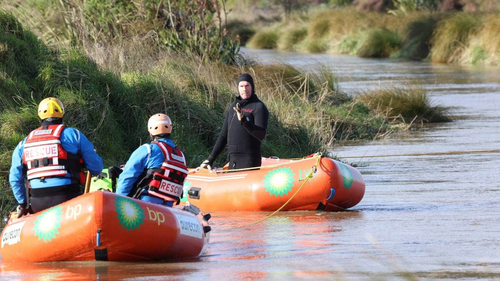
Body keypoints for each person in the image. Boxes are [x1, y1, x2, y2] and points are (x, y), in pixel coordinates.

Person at [9, 97, 103, 216]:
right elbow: (96, 168)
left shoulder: (24, 143)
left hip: (37, 201)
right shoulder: (74, 135)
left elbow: (14, 178)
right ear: (62, 113)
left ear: (40, 115)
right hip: (68, 198)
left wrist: (23, 204)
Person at [199, 73, 269, 170]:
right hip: (233, 160)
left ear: (252, 87)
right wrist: (210, 158)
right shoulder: (233, 107)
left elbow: (261, 135)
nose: (244, 89)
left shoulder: (258, 107)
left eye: (247, 86)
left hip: (250, 160)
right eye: (241, 86)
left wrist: (245, 121)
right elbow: (223, 135)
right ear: (238, 88)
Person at [116, 113, 188, 207]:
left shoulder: (148, 149)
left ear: (150, 131)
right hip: (167, 210)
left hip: (144, 206)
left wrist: (118, 202)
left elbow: (127, 177)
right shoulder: (181, 156)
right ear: (170, 129)